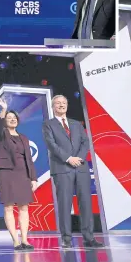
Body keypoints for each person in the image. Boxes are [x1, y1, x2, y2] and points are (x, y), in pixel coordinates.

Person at [42, 95, 104, 249]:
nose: (61, 105)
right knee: (64, 204)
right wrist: (68, 158)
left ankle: (89, 237)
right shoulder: (48, 125)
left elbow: (85, 142)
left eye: (64, 102)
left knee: (85, 203)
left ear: (67, 105)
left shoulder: (76, 124)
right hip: (62, 169)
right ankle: (66, 238)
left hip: (80, 167)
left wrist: (78, 158)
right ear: (53, 106)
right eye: (58, 103)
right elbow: (51, 144)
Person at [0, 98, 37, 251]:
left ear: (18, 121)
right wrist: (4, 109)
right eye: (9, 118)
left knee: (24, 207)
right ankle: (16, 241)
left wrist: (33, 178)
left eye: (14, 118)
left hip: (23, 174)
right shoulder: (2, 134)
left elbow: (29, 160)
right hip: (7, 172)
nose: (12, 120)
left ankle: (25, 240)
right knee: (9, 207)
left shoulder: (24, 138)